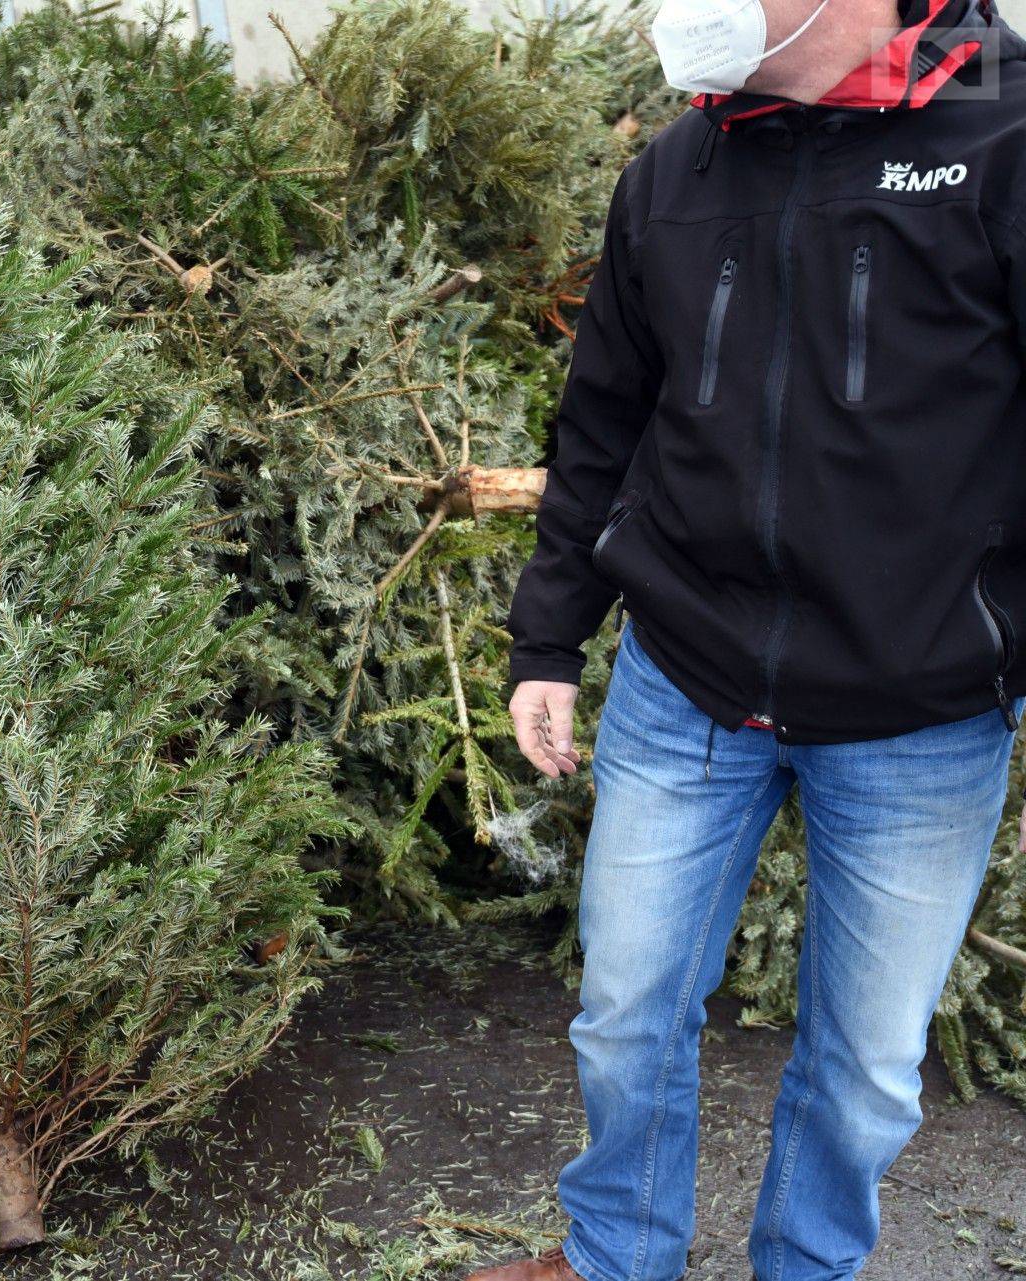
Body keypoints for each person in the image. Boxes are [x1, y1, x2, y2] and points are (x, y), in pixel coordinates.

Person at [478, 1, 1026, 1278]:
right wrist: (548, 639)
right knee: (623, 1017)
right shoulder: (676, 171)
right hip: (691, 686)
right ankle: (615, 1255)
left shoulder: (1005, 142)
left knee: (868, 1074)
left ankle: (806, 1265)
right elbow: (602, 424)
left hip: (919, 717)